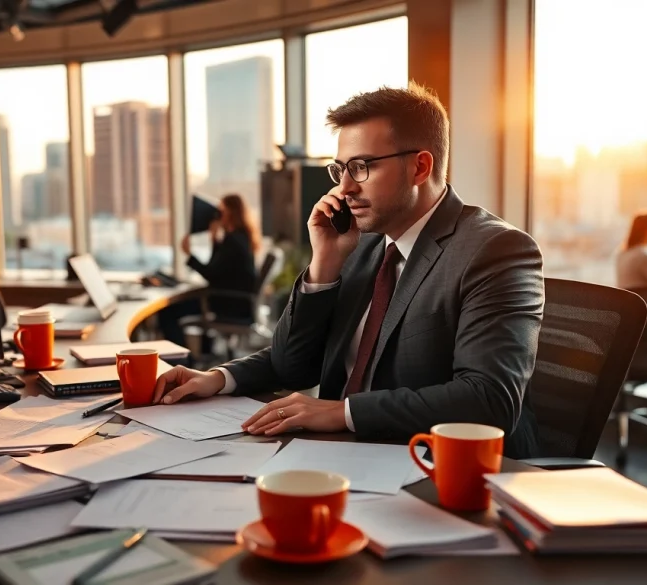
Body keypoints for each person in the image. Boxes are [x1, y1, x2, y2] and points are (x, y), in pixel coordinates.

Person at [152, 82, 545, 459]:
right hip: (342, 455)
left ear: (420, 167)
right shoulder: (364, 243)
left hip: (438, 469)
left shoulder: (495, 250)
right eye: (339, 169)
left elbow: (490, 399)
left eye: (360, 167)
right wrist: (218, 378)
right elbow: (291, 365)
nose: (344, 189)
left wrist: (342, 412)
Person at [157, 194, 259, 349]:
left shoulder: (233, 241)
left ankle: (182, 361)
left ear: (230, 213)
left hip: (226, 304)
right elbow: (218, 270)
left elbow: (211, 274)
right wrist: (215, 240)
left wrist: (190, 255)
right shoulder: (241, 237)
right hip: (235, 303)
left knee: (167, 313)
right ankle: (202, 354)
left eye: (221, 211)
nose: (217, 216)